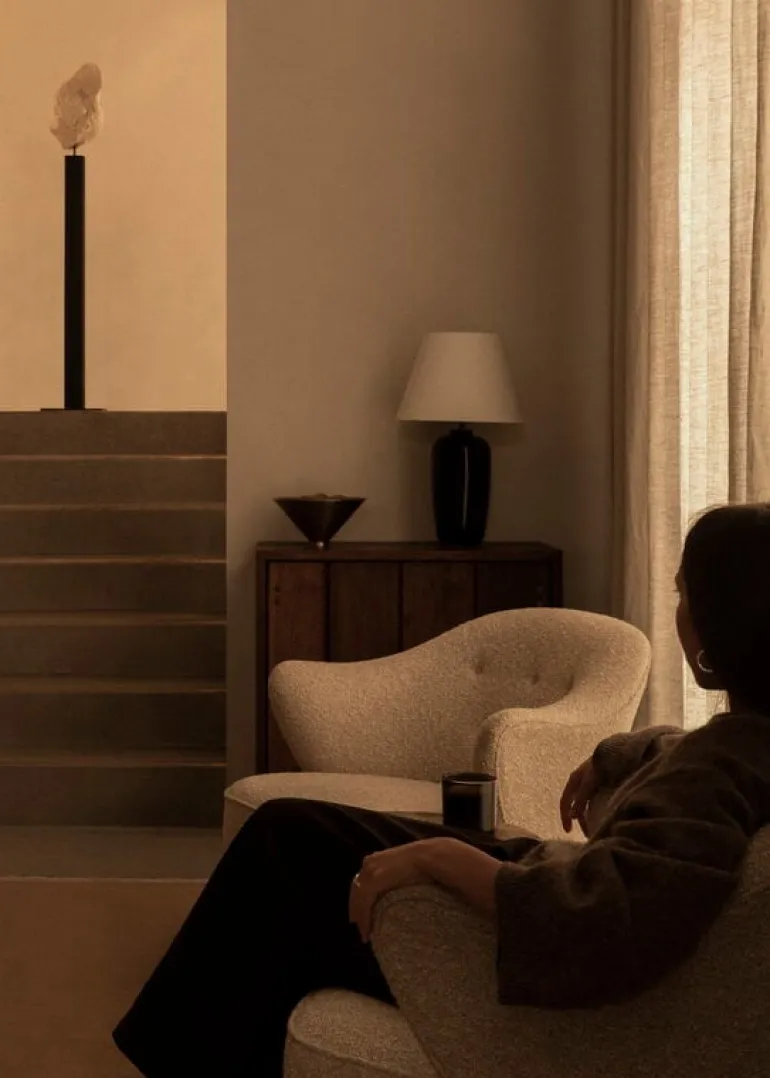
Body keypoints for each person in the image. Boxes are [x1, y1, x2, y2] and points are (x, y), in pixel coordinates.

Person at [114, 502, 770, 1077]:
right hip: (538, 875)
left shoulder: (714, 770)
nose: (679, 609)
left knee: (285, 850)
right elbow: (685, 767)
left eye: (684, 593)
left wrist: (443, 857)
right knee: (291, 839)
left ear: (720, 621)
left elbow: (604, 915)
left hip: (524, 931)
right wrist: (619, 751)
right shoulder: (744, 743)